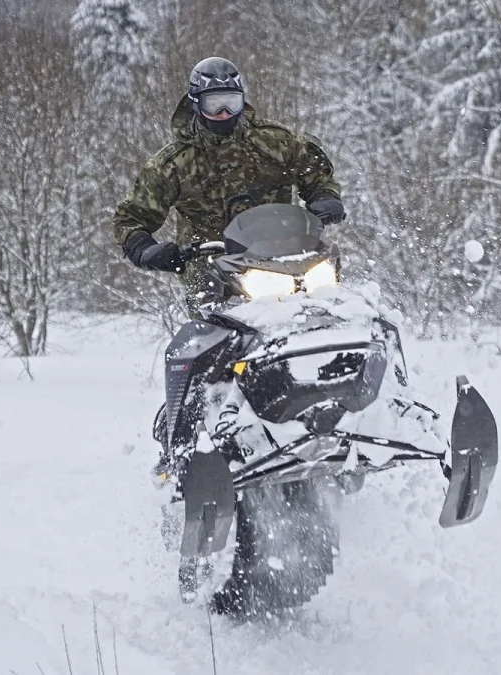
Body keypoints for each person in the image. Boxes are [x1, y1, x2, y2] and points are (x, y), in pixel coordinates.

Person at [110, 56, 345, 478]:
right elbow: (131, 218)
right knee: (209, 351)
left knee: (334, 311)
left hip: (282, 261)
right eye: (214, 104)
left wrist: (325, 198)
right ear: (195, 103)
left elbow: (317, 172)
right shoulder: (174, 162)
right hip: (210, 270)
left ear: (242, 101)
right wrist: (148, 249)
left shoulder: (274, 141)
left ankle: (364, 405)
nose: (223, 113)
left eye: (231, 102)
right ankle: (185, 443)